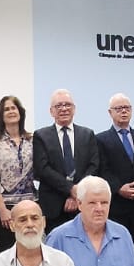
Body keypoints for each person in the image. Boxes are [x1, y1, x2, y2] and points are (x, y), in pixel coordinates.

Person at [96, 92, 134, 246]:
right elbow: (102, 169)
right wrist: (119, 188)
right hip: (118, 206)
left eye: (126, 108)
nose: (123, 111)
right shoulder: (101, 139)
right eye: (118, 108)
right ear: (110, 113)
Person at [34, 89, 99, 233]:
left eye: (68, 105)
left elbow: (94, 166)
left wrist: (77, 193)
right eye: (59, 106)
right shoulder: (40, 136)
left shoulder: (87, 134)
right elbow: (43, 169)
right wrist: (71, 189)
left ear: (74, 109)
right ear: (51, 111)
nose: (64, 109)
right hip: (53, 205)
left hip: (83, 203)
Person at [0, 95, 35, 251]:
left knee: (30, 249)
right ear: (1, 115)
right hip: (6, 208)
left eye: (13, 108)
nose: (11, 111)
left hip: (30, 204)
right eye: (6, 109)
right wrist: (2, 209)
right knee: (7, 252)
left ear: (20, 112)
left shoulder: (33, 140)